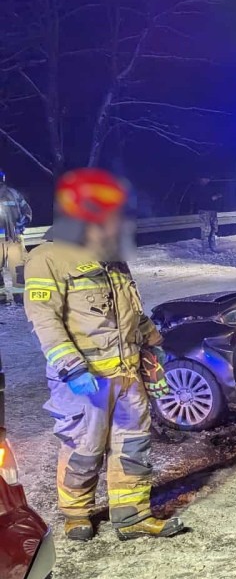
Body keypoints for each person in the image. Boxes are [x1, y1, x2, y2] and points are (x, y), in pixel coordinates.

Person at [24, 169, 186, 541]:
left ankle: (132, 516)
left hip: (128, 374)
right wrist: (70, 367)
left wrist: (155, 344)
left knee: (133, 447)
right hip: (86, 378)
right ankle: (76, 512)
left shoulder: (113, 259)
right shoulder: (48, 258)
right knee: (84, 447)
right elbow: (43, 319)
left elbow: (132, 311)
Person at [0, 170, 31, 303]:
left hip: (14, 238)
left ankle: (20, 297)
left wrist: (20, 225)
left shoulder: (13, 194)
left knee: (18, 268)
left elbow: (27, 212)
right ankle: (1, 298)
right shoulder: (13, 193)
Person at [193, 177, 223, 252]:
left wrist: (217, 196)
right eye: (205, 179)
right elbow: (198, 199)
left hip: (212, 210)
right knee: (206, 229)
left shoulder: (212, 186)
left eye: (208, 179)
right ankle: (205, 247)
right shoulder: (198, 187)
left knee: (214, 228)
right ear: (201, 179)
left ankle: (212, 246)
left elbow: (220, 194)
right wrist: (211, 198)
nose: (207, 180)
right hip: (204, 210)